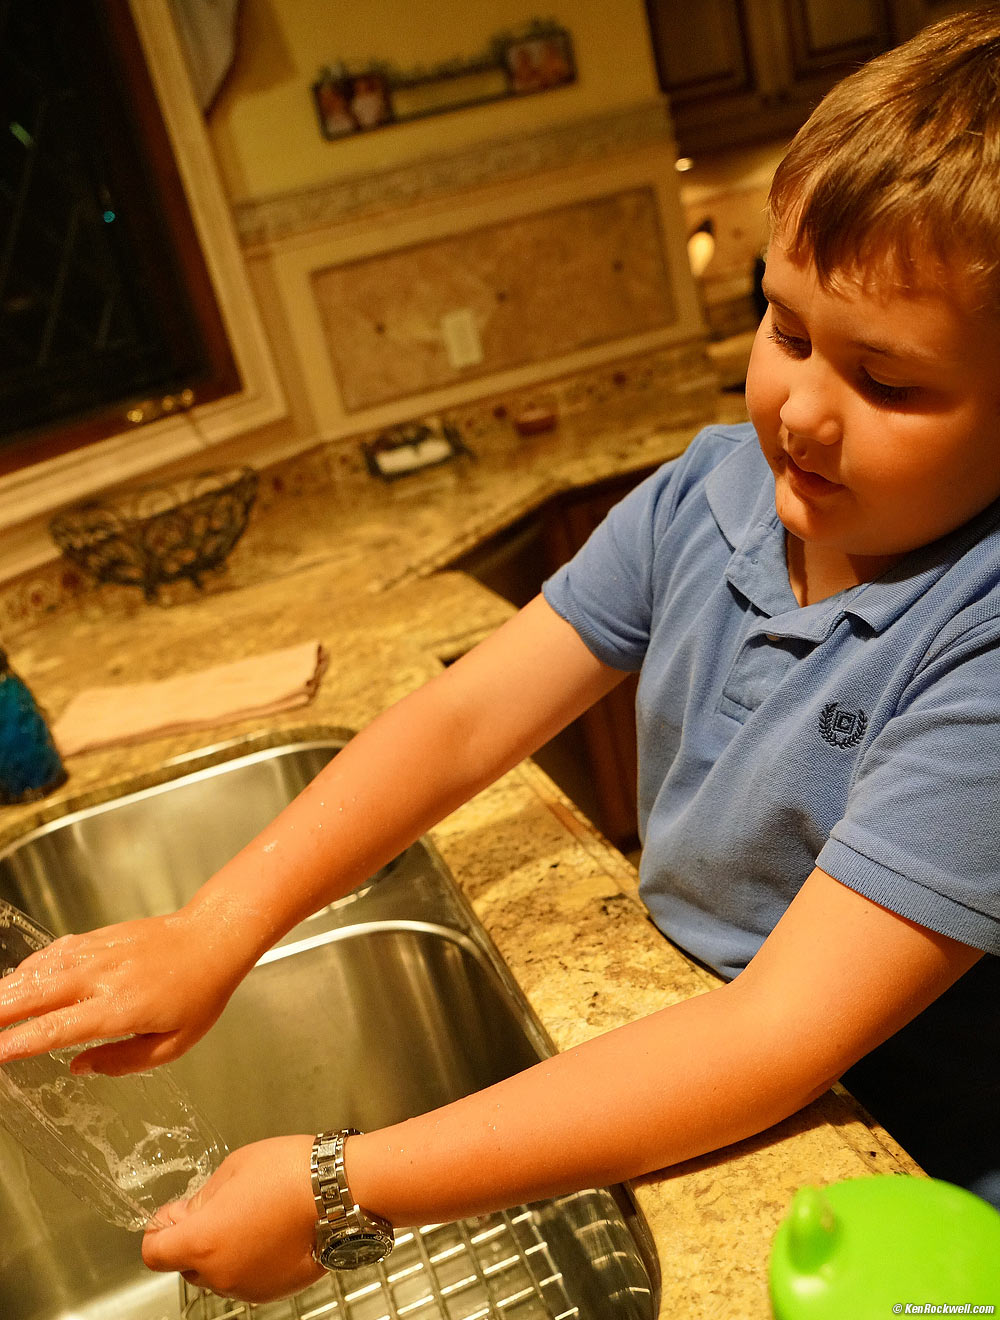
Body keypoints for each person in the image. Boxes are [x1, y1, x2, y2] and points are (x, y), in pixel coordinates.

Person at [2, 9, 1000, 1302]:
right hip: (678, 1026)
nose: (802, 406)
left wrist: (335, 1184)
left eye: (890, 382)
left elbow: (771, 1039)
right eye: (787, 329)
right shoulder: (713, 491)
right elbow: (468, 715)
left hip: (906, 1162)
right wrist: (215, 926)